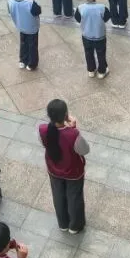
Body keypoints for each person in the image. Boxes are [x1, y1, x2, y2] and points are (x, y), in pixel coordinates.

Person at [39, 99, 88, 234]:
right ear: (66, 115)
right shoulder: (73, 134)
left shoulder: (43, 130)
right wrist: (74, 128)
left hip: (53, 170)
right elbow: (84, 150)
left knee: (58, 195)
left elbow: (44, 144)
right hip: (73, 172)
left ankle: (63, 223)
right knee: (74, 197)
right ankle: (75, 225)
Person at [75, 0, 112, 78]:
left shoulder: (80, 8)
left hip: (86, 36)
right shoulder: (102, 8)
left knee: (88, 53)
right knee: (101, 54)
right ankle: (101, 72)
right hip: (100, 36)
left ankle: (91, 70)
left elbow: (78, 19)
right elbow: (107, 18)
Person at [7, 0, 43, 71]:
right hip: (32, 29)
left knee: (23, 44)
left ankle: (22, 60)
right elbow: (38, 11)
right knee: (32, 46)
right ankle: (32, 64)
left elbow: (10, 11)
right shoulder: (30, 3)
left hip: (20, 26)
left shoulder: (10, 1)